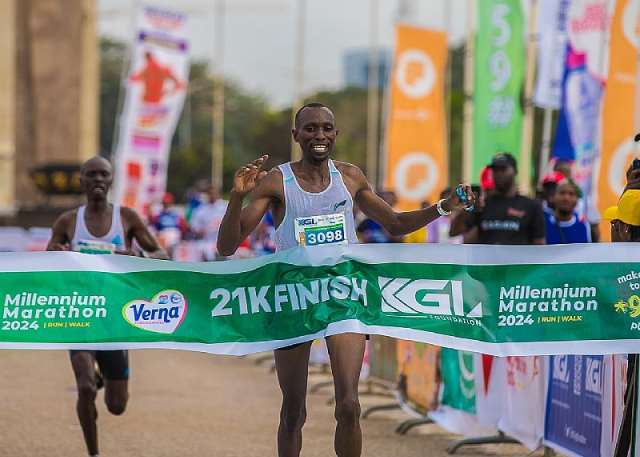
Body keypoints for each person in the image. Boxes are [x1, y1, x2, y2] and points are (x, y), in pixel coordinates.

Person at [216, 102, 474, 457]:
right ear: (296, 135)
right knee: (294, 411)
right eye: (310, 129)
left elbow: (395, 224)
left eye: (325, 128)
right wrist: (236, 197)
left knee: (350, 405)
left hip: (342, 295)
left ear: (335, 134)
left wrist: (443, 207)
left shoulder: (350, 177)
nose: (319, 135)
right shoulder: (278, 181)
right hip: (295, 298)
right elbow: (227, 245)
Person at [46, 156, 168, 457]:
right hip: (81, 315)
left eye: (103, 174)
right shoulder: (68, 222)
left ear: (111, 180)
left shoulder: (126, 218)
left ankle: (104, 376)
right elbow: (46, 262)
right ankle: (93, 452)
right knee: (85, 388)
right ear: (82, 181)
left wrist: (134, 255)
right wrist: (58, 255)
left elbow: (162, 255)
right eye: (91, 174)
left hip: (115, 318)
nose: (98, 180)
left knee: (116, 406)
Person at [463, 152, 546, 245]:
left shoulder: (531, 206)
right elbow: (466, 241)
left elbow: (539, 245)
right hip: (486, 259)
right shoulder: (482, 204)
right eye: (495, 170)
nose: (498, 174)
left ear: (515, 171)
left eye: (503, 169)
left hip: (518, 259)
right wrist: (474, 213)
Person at [544, 178, 591, 244]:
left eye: (571, 194)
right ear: (553, 197)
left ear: (577, 200)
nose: (566, 198)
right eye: (562, 193)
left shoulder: (584, 226)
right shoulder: (543, 223)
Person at [190, 184, 228, 260]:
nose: (212, 195)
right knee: (202, 250)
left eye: (214, 193)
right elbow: (194, 226)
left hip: (224, 240)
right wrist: (200, 231)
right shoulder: (201, 209)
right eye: (210, 193)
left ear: (218, 194)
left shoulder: (225, 206)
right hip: (207, 241)